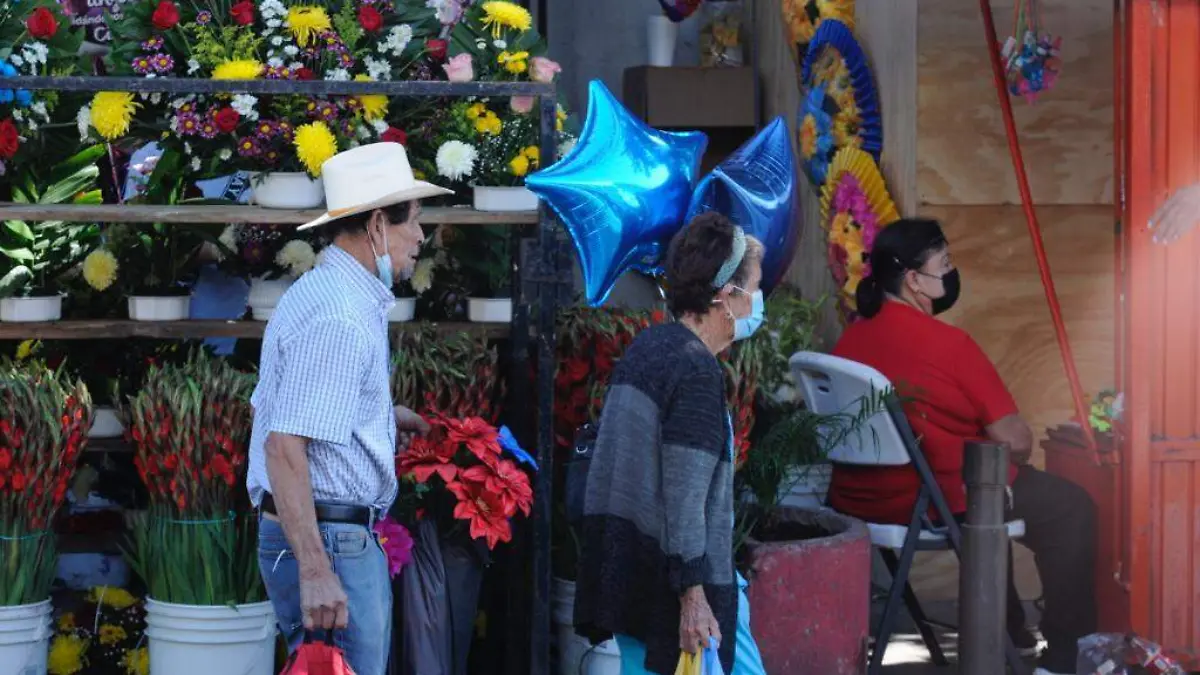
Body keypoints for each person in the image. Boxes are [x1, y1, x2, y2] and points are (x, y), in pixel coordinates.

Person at [827, 218, 1098, 675]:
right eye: (945, 264)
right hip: (933, 500)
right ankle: (1064, 658)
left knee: (989, 491)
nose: (952, 273)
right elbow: (1015, 439)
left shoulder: (851, 339)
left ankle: (1010, 631)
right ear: (914, 280)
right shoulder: (950, 344)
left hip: (862, 501)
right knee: (1069, 507)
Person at [247, 142, 453, 675]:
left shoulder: (326, 292)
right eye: (416, 221)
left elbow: (301, 413)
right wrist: (316, 567)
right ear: (380, 224)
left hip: (331, 534)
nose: (421, 237)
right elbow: (284, 444)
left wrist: (381, 415)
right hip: (331, 538)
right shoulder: (340, 314)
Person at [574, 212, 768, 675]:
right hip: (677, 590)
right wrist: (693, 596)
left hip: (635, 577)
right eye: (755, 288)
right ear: (727, 295)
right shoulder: (696, 372)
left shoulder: (651, 347)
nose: (758, 302)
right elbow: (684, 497)